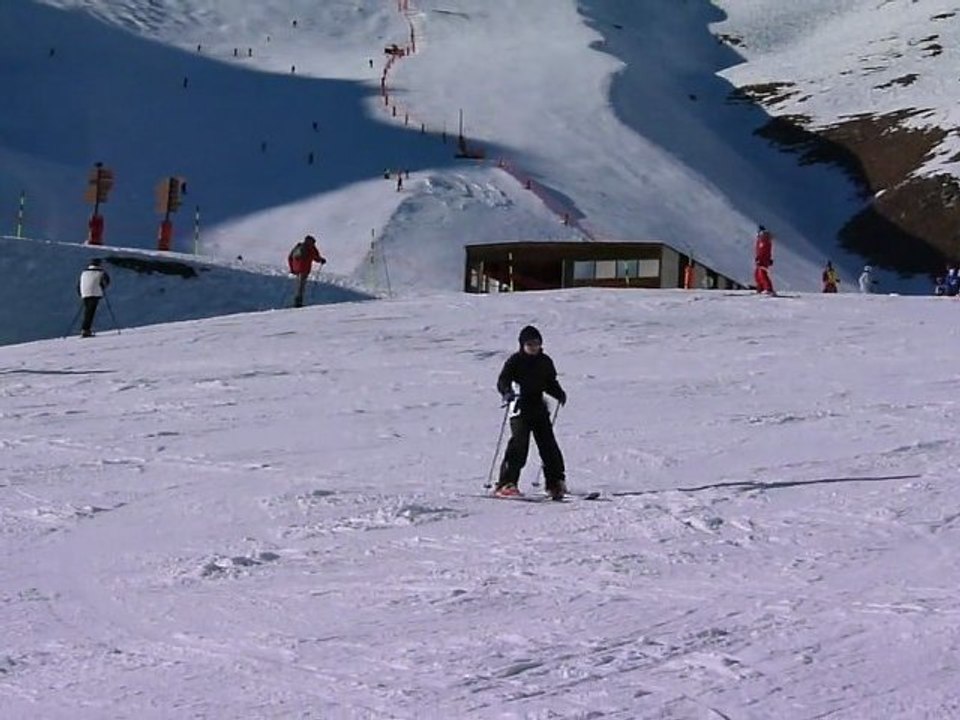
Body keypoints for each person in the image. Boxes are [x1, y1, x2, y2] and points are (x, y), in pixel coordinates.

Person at [495, 325, 567, 500]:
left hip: (539, 407)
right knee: (519, 445)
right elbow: (503, 380)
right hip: (520, 408)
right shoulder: (515, 361)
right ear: (522, 345)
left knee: (549, 446)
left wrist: (559, 393)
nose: (533, 347)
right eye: (529, 344)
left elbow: (550, 382)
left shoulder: (545, 361)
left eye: (536, 343)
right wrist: (506, 392)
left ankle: (555, 483)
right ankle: (506, 483)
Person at [287, 235, 326, 307]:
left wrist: (292, 269)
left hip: (296, 269)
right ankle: (298, 303)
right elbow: (315, 257)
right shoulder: (310, 248)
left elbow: (290, 257)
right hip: (304, 269)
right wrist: (321, 260)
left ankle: (297, 301)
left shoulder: (299, 246)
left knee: (299, 286)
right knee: (301, 286)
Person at [77, 258, 110, 337]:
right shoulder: (101, 272)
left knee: (87, 311)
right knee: (90, 312)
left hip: (84, 293)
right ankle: (86, 330)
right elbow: (107, 281)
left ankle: (85, 329)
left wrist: (81, 294)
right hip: (95, 293)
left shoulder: (84, 272)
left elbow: (79, 284)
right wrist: (102, 287)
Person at [754, 225, 775, 294]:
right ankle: (761, 288)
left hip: (763, 260)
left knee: (762, 274)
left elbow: (763, 251)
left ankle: (768, 289)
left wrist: (760, 259)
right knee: (757, 274)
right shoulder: (761, 240)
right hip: (762, 259)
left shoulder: (764, 240)